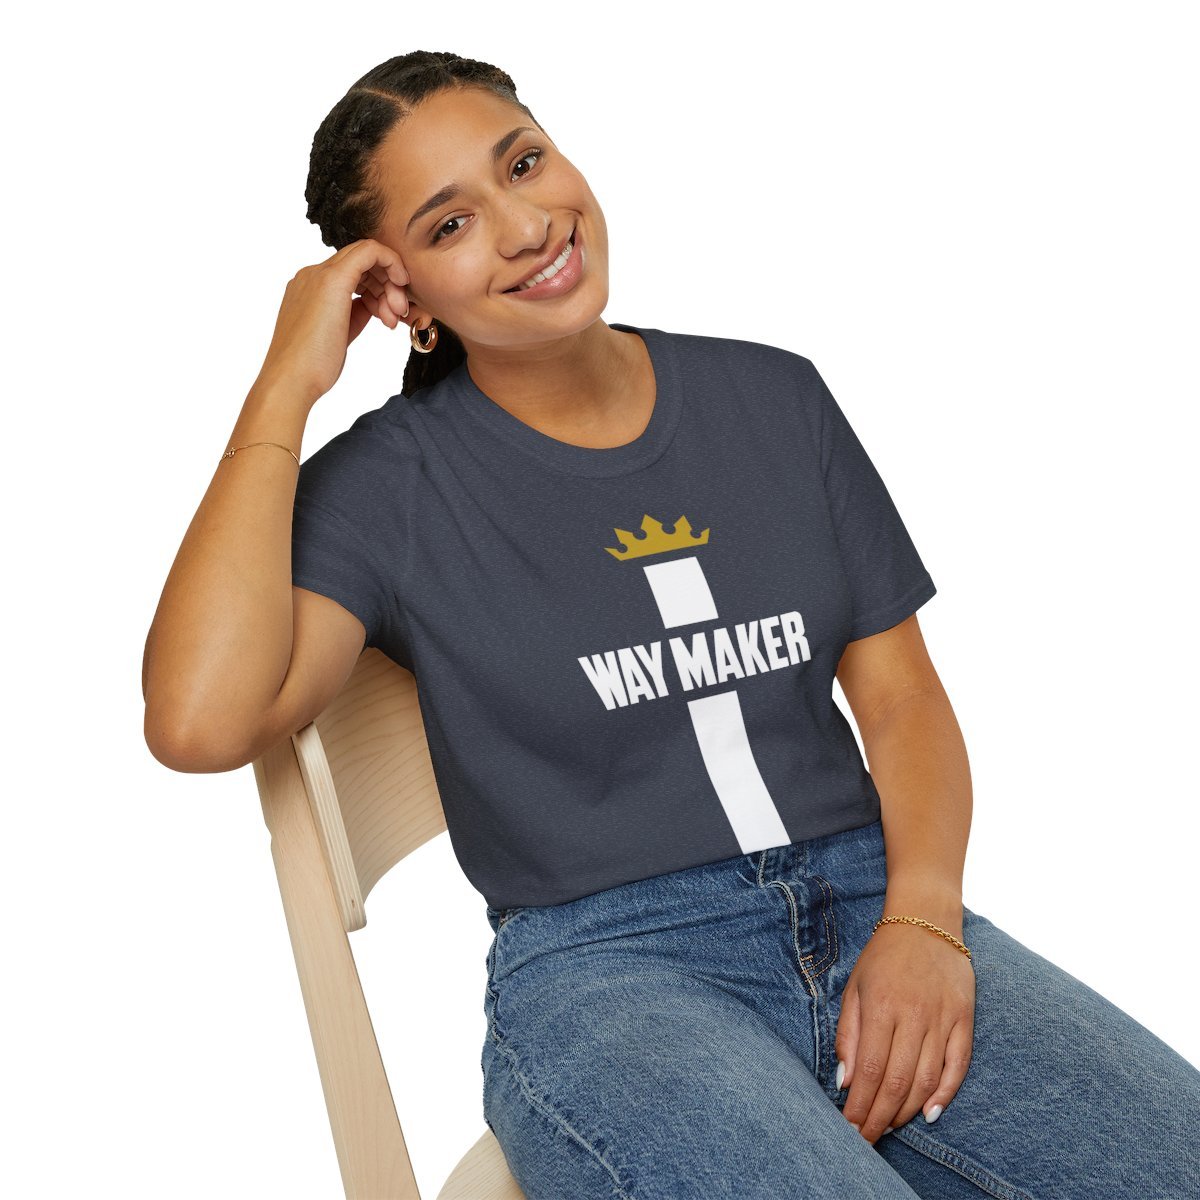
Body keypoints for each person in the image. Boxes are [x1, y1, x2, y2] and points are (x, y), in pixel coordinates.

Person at [142, 50, 1200, 1199]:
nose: (526, 226)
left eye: (524, 164)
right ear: (404, 299)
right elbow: (199, 721)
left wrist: (926, 922)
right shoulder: (391, 485)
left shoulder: (776, 398)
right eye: (451, 224)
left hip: (875, 902)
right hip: (612, 973)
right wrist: (284, 385)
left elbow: (902, 702)